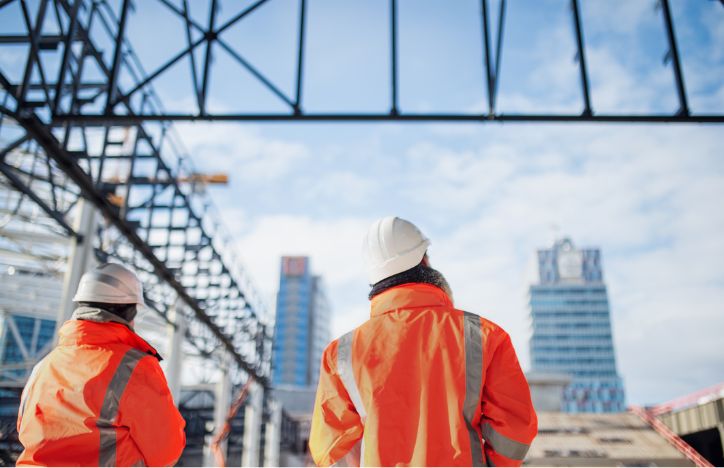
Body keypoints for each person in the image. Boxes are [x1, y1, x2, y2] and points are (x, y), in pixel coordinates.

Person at [309, 217, 537, 467]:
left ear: (374, 278)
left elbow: (332, 449)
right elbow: (514, 430)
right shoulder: (484, 336)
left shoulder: (341, 354)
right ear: (425, 261)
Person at [16, 263, 186, 466]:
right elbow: (167, 450)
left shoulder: (43, 367)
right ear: (131, 312)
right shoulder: (134, 367)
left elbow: (24, 428)